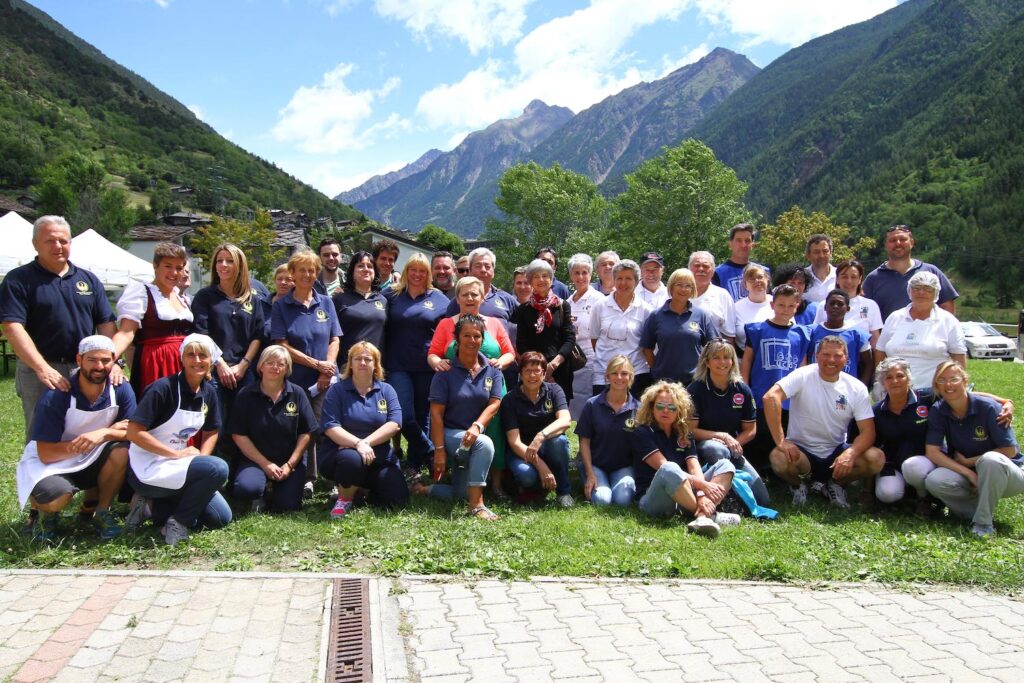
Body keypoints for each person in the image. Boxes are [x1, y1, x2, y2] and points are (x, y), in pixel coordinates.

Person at [0, 215, 118, 443]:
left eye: (63, 241)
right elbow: (12, 327)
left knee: (87, 430)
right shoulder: (19, 279)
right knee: (41, 434)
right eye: (50, 241)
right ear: (35, 244)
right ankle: (40, 480)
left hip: (84, 368)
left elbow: (106, 324)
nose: (58, 246)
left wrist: (114, 361)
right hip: (40, 372)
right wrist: (42, 368)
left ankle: (83, 477)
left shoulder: (88, 280)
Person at [15, 335, 136, 542]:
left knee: (122, 451)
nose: (99, 366)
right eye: (92, 360)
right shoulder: (57, 395)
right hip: (51, 463)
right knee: (56, 497)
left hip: (92, 456)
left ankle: (102, 512)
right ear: (79, 360)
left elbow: (134, 431)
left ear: (114, 360)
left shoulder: (120, 388)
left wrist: (103, 433)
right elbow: (46, 453)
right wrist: (85, 443)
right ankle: (47, 516)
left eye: (106, 360)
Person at [125, 334, 232, 546]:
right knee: (219, 469)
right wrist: (177, 454)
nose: (197, 360)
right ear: (181, 358)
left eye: (203, 355)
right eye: (191, 355)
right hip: (147, 466)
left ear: (211, 360)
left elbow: (212, 431)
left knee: (220, 518)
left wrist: (202, 461)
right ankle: (178, 523)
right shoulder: (163, 388)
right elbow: (134, 432)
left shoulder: (208, 392)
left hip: (178, 464)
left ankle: (148, 508)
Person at [875, 358, 1013, 508]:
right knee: (887, 494)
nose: (895, 381)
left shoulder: (926, 397)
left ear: (908, 378)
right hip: (894, 464)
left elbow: (962, 393)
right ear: (883, 383)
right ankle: (909, 491)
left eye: (900, 376)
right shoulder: (877, 411)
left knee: (913, 466)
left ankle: (924, 497)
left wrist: (1006, 402)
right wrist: (867, 491)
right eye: (889, 377)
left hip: (927, 462)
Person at [765, 336, 884, 508]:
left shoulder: (856, 387)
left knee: (876, 458)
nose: (831, 360)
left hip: (836, 452)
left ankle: (835, 484)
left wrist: (850, 454)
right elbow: (770, 397)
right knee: (778, 457)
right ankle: (799, 486)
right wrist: (782, 442)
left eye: (837, 355)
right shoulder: (803, 375)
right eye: (826, 354)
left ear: (846, 359)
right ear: (817, 355)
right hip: (802, 452)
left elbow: (868, 432)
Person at [428, 276, 515, 495]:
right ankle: (456, 475)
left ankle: (495, 485)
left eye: (474, 294)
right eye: (464, 294)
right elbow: (433, 354)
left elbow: (509, 353)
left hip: (491, 387)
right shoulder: (446, 324)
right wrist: (439, 363)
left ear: (482, 297)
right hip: (457, 390)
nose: (469, 298)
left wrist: (500, 362)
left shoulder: (494, 323)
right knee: (460, 431)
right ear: (457, 298)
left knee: (495, 432)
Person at [413, 315, 503, 520]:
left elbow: (495, 403)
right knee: (485, 444)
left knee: (461, 492)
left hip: (474, 434)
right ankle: (477, 506)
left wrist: (477, 426)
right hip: (448, 435)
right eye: (467, 335)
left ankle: (425, 489)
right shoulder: (445, 372)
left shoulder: (492, 370)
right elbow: (435, 414)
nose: (472, 340)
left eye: (477, 336)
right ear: (457, 339)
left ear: (483, 338)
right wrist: (440, 451)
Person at [919, 361, 1024, 537]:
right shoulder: (939, 410)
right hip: (972, 475)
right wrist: (969, 472)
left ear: (965, 381)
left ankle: (983, 525)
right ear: (936, 385)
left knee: (990, 459)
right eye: (942, 380)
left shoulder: (989, 407)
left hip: (1007, 474)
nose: (948, 384)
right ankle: (976, 511)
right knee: (934, 480)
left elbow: (1010, 451)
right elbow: (933, 452)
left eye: (954, 379)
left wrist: (969, 462)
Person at [271, 249, 342, 492]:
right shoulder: (281, 305)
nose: (308, 274)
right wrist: (317, 365)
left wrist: (327, 369)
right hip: (295, 380)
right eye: (302, 270)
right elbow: (282, 345)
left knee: (328, 427)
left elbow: (335, 338)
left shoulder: (326, 302)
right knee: (301, 428)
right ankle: (306, 478)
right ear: (292, 273)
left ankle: (333, 478)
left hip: (326, 379)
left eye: (312, 270)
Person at [631, 381, 739, 538]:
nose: (666, 411)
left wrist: (701, 493)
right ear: (651, 407)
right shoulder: (642, 433)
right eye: (660, 406)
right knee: (669, 468)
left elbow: (694, 467)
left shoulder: (684, 433)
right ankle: (711, 515)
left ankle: (702, 518)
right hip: (653, 500)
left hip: (683, 497)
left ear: (679, 410)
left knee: (725, 465)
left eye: (672, 407)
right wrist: (702, 488)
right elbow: (663, 466)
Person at [190, 243, 264, 466]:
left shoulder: (253, 298)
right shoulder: (205, 297)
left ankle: (242, 470)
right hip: (213, 371)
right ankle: (215, 469)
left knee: (244, 422)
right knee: (216, 423)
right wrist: (220, 363)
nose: (223, 265)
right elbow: (201, 333)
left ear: (239, 265)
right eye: (219, 260)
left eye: (229, 260)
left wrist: (243, 365)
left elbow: (257, 335)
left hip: (244, 370)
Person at [319, 342, 408, 517]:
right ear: (350, 363)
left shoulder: (386, 390)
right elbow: (330, 426)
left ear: (376, 364)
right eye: (357, 358)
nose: (362, 363)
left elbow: (395, 423)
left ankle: (361, 489)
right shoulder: (337, 390)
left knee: (397, 500)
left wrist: (366, 442)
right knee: (351, 460)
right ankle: (344, 499)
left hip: (378, 455)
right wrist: (357, 444)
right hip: (341, 453)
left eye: (368, 359)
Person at [385, 254, 450, 475]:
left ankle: (414, 465)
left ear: (428, 274)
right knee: (404, 415)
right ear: (406, 271)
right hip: (397, 365)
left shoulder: (440, 299)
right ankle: (430, 452)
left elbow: (449, 330)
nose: (417, 274)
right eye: (413, 269)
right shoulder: (392, 295)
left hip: (427, 366)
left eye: (422, 270)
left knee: (423, 415)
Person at [229, 345, 316, 513]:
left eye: (281, 364)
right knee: (247, 489)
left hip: (288, 461)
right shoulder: (246, 394)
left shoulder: (297, 393)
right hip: (255, 460)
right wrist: (266, 464)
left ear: (287, 369)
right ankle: (259, 491)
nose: (275, 367)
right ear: (260, 366)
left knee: (287, 506)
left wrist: (290, 465)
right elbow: (238, 434)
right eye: (270, 363)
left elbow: (307, 432)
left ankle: (272, 488)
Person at [687, 340, 768, 506]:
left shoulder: (742, 389)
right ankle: (722, 500)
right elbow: (690, 430)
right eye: (716, 357)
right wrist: (721, 436)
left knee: (763, 499)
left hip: (731, 449)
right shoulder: (696, 389)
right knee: (715, 448)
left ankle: (732, 493)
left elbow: (750, 430)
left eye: (727, 357)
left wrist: (734, 444)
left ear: (733, 361)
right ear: (707, 362)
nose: (722, 362)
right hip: (703, 448)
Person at [741, 284, 811, 468]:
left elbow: (802, 366)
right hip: (760, 390)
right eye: (781, 305)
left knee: (782, 431)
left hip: (787, 395)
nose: (785, 310)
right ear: (772, 305)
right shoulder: (757, 330)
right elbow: (747, 360)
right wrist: (745, 386)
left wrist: (801, 392)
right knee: (760, 431)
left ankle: (778, 468)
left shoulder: (802, 333)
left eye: (790, 306)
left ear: (797, 306)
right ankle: (757, 468)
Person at [113, 241, 193, 395]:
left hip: (184, 364)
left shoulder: (182, 298)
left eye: (179, 268)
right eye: (168, 266)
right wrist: (107, 358)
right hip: (155, 363)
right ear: (155, 266)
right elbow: (126, 334)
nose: (174, 273)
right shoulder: (141, 293)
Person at [501, 352, 574, 506]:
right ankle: (539, 485)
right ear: (520, 373)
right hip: (521, 452)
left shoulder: (554, 390)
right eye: (527, 371)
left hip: (547, 445)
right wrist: (541, 465)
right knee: (527, 477)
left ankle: (563, 491)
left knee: (558, 441)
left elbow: (565, 420)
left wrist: (541, 436)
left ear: (543, 373)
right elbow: (514, 442)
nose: (532, 375)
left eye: (537, 371)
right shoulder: (510, 399)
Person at [875, 271, 966, 390]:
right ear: (909, 290)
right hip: (894, 391)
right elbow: (880, 351)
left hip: (933, 391)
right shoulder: (895, 317)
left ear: (936, 293)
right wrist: (880, 382)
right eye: (916, 288)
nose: (921, 292)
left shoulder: (948, 321)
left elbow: (958, 357)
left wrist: (957, 386)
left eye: (928, 289)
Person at [577, 356, 638, 507]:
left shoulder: (639, 408)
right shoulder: (592, 404)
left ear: (630, 377)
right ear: (607, 376)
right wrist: (590, 474)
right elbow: (584, 442)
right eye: (614, 373)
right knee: (602, 501)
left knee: (623, 501)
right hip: (596, 464)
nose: (619, 377)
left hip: (623, 466)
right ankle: (589, 478)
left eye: (624, 373)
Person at [512, 259, 576, 400]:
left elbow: (570, 338)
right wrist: (538, 367)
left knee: (561, 414)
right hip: (533, 372)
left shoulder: (562, 306)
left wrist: (553, 365)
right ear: (530, 281)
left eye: (545, 275)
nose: (541, 279)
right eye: (536, 276)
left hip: (560, 369)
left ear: (551, 278)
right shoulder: (523, 309)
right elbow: (521, 344)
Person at [640, 268, 718, 385]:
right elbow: (646, 347)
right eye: (679, 285)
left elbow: (713, 347)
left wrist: (703, 370)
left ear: (692, 289)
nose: (683, 289)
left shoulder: (701, 315)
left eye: (688, 286)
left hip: (695, 382)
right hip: (664, 382)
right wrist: (656, 368)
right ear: (671, 287)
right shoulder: (656, 315)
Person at [863, 224, 958, 320]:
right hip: (889, 334)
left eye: (903, 239)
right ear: (886, 245)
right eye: (893, 240)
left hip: (928, 333)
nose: (898, 243)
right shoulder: (873, 278)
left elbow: (947, 305)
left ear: (912, 242)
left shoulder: (931, 272)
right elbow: (864, 312)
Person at [589, 259, 653, 398]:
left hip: (636, 373)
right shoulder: (600, 306)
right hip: (604, 372)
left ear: (636, 281)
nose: (623, 283)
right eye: (619, 278)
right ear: (613, 280)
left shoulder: (646, 310)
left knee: (633, 418)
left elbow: (648, 345)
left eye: (628, 278)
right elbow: (594, 339)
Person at [566, 253, 605, 420]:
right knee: (573, 405)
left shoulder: (599, 300)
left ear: (591, 274)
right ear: (571, 275)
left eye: (584, 272)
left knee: (589, 406)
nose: (581, 277)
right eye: (576, 272)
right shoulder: (567, 301)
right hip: (572, 361)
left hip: (592, 361)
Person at [332, 251, 387, 364]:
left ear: (375, 272)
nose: (366, 269)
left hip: (375, 366)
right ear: (352, 272)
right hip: (347, 366)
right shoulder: (339, 299)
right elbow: (331, 336)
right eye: (360, 266)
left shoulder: (383, 300)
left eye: (370, 266)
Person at [813, 259, 883, 348]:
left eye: (853, 277)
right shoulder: (825, 305)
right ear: (837, 279)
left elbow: (875, 339)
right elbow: (816, 334)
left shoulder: (870, 305)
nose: (849, 281)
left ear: (860, 279)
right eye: (844, 277)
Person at [808, 290, 872, 386]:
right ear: (825, 307)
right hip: (815, 385)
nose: (835, 307)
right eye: (832, 303)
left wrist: (862, 386)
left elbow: (868, 364)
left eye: (840, 304)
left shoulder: (858, 335)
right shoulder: (810, 332)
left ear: (848, 309)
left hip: (845, 388)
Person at [444, 248, 518, 329]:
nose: (483, 270)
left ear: (493, 271)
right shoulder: (457, 302)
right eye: (478, 266)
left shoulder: (507, 300)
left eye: (487, 266)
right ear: (470, 270)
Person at [714, 223, 770, 301]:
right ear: (730, 244)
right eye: (739, 240)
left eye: (747, 241)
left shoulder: (763, 272)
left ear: (752, 245)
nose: (743, 245)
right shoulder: (717, 274)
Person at [726, 263, 773, 351]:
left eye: (760, 277)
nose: (757, 281)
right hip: (744, 360)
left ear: (767, 280)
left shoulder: (778, 303)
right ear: (745, 285)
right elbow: (729, 339)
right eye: (751, 279)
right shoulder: (735, 308)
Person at [688, 251, 734, 334]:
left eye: (705, 266)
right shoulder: (678, 293)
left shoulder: (722, 295)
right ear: (689, 269)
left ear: (712, 272)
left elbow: (729, 334)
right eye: (697, 265)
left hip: (713, 346)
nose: (701, 269)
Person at [261, 264, 293, 339]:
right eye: (279, 279)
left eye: (288, 279)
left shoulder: (298, 306)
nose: (283, 282)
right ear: (275, 281)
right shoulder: (261, 304)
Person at [803, 234, 836, 303]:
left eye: (825, 251)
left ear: (831, 253)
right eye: (816, 252)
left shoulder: (840, 275)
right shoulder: (801, 277)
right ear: (808, 255)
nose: (821, 255)